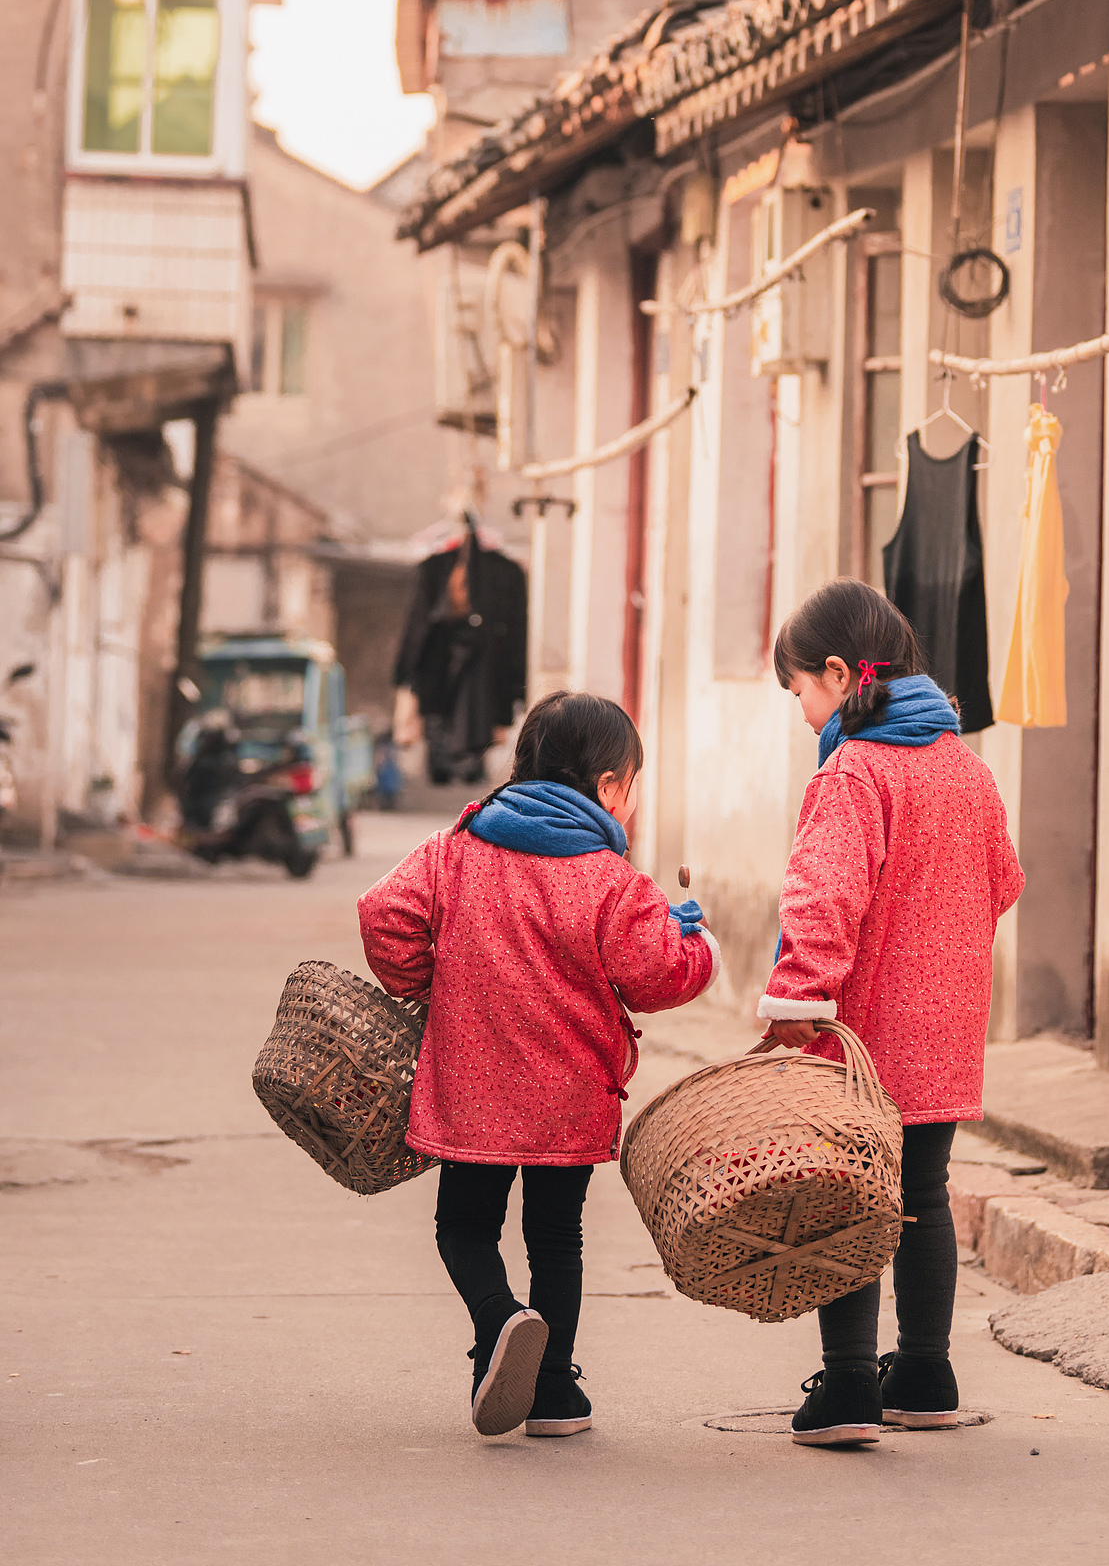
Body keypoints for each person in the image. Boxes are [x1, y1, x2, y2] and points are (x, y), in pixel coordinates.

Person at [357, 689, 719, 1440]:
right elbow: (656, 976)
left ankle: (500, 1323)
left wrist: (432, 982)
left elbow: (383, 914)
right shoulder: (611, 880)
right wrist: (700, 948)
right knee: (558, 1237)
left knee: (464, 1229)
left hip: (471, 1087)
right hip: (570, 1098)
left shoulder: (456, 849)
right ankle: (555, 1392)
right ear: (611, 786)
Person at [761, 578, 1024, 1450]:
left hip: (863, 1038)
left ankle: (844, 1389)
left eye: (799, 689)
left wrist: (797, 1003)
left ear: (838, 675)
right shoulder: (969, 770)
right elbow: (1006, 881)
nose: (801, 712)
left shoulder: (853, 771)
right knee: (922, 1195)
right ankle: (923, 1372)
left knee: (851, 1198)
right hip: (947, 1034)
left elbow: (821, 901)